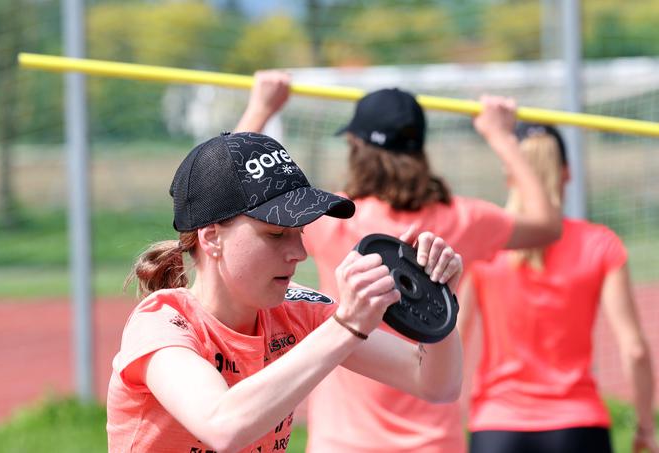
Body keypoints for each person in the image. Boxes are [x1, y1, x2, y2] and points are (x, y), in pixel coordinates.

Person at [235, 71, 562, 452]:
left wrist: (261, 108)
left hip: (342, 443)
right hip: (434, 443)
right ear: (419, 149)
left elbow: (234, 196)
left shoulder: (333, 219)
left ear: (356, 146)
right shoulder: (463, 220)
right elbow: (546, 224)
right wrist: (501, 136)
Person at [106, 131, 465, 452]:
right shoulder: (162, 323)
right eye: (276, 234)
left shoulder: (297, 311)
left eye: (301, 232)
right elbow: (223, 426)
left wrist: (438, 302)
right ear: (212, 237)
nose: (299, 253)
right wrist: (345, 325)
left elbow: (435, 385)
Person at [457, 123, 658, 453]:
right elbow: (634, 349)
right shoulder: (601, 244)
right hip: (578, 427)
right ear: (567, 173)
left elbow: (454, 338)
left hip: (497, 427)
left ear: (510, 175)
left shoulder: (487, 245)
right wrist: (645, 428)